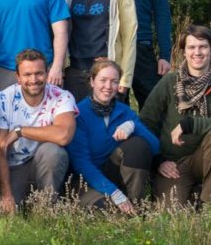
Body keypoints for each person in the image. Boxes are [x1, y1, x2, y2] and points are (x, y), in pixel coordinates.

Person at [139, 25, 211, 207]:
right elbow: (146, 123)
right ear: (184, 51)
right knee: (171, 210)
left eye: (203, 47)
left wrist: (190, 124)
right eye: (191, 47)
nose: (197, 52)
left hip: (205, 159)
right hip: (173, 164)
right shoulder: (169, 82)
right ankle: (193, 191)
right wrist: (158, 161)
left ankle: (208, 200)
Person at [67, 61, 159, 214]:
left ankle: (136, 205)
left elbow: (155, 147)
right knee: (108, 210)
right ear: (92, 82)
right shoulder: (79, 114)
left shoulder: (124, 111)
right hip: (87, 180)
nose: (108, 86)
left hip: (113, 173)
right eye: (103, 80)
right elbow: (81, 163)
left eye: (114, 81)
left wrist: (134, 126)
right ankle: (121, 205)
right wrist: (114, 193)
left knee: (138, 145)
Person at [0, 49, 76, 212]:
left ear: (47, 73)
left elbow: (64, 136)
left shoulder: (61, 97)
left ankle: (46, 209)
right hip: (14, 166)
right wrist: (6, 193)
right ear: (18, 77)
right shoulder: (3, 99)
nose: (34, 80)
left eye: (39, 73)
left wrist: (20, 131)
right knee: (3, 213)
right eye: (27, 75)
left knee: (53, 151)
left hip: (45, 163)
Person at [60, 0, 137, 102]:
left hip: (105, 71)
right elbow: (60, 31)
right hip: (74, 71)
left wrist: (125, 78)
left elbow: (129, 37)